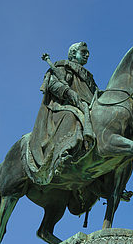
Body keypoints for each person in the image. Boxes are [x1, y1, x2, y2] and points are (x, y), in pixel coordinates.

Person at [25, 42, 98, 186]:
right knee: (72, 117)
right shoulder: (62, 67)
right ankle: (61, 154)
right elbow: (52, 84)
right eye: (83, 52)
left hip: (86, 107)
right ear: (73, 54)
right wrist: (68, 92)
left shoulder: (89, 77)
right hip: (62, 106)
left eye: (87, 52)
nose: (87, 55)